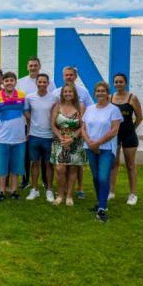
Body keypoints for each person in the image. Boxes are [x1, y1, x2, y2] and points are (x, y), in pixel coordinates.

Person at [82, 82, 123, 222]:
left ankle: (102, 209)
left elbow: (114, 130)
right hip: (90, 147)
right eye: (98, 91)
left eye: (103, 91)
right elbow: (83, 128)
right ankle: (100, 202)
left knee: (103, 177)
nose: (100, 93)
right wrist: (89, 142)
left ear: (107, 93)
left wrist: (97, 143)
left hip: (106, 148)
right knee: (95, 177)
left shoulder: (114, 110)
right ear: (94, 93)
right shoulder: (89, 109)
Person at [53, 66, 94, 199]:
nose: (69, 77)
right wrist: (61, 137)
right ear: (63, 76)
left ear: (75, 76)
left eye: (71, 75)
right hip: (61, 138)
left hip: (76, 138)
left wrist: (76, 136)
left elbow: (90, 111)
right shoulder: (56, 93)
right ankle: (62, 191)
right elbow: (53, 119)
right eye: (66, 75)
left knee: (75, 166)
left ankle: (78, 189)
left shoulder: (84, 92)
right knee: (61, 168)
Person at [0, 72, 27, 201]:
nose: (9, 82)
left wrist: (29, 131)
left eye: (11, 80)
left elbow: (27, 113)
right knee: (2, 166)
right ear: (3, 82)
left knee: (16, 166)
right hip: (1, 138)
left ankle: (14, 190)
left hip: (19, 138)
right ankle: (1, 191)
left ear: (15, 82)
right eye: (6, 80)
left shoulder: (23, 96)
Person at [109, 72, 143, 205]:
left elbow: (139, 117)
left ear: (126, 83)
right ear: (113, 83)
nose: (118, 84)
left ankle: (133, 194)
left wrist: (132, 129)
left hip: (129, 136)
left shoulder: (132, 98)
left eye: (120, 82)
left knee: (130, 165)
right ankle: (111, 192)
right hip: (114, 136)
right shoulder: (110, 97)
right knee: (113, 164)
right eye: (116, 82)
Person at [50, 83, 86, 206]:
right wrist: (61, 137)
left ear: (74, 93)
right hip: (60, 141)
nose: (67, 94)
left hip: (75, 141)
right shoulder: (57, 106)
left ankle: (69, 196)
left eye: (70, 92)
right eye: (65, 92)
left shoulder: (80, 106)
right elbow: (53, 125)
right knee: (60, 169)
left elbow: (83, 126)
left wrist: (72, 138)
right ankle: (60, 195)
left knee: (73, 168)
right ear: (62, 93)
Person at [24, 74, 57, 202]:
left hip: (49, 136)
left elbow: (57, 114)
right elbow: (26, 111)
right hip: (34, 135)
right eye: (40, 82)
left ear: (48, 83)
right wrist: (33, 120)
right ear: (36, 83)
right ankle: (35, 189)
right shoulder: (30, 97)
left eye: (44, 82)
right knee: (34, 163)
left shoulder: (54, 98)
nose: (42, 84)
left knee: (49, 164)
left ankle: (49, 190)